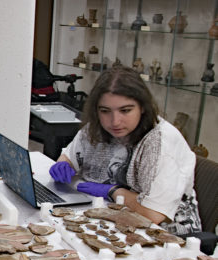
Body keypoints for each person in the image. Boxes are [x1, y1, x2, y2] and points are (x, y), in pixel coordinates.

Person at [49, 65, 201, 235]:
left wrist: (113, 191)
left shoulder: (161, 142)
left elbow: (153, 214)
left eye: (125, 110)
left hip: (163, 237)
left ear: (143, 107)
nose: (115, 122)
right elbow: (70, 157)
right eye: (105, 111)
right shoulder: (97, 128)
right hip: (110, 221)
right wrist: (63, 165)